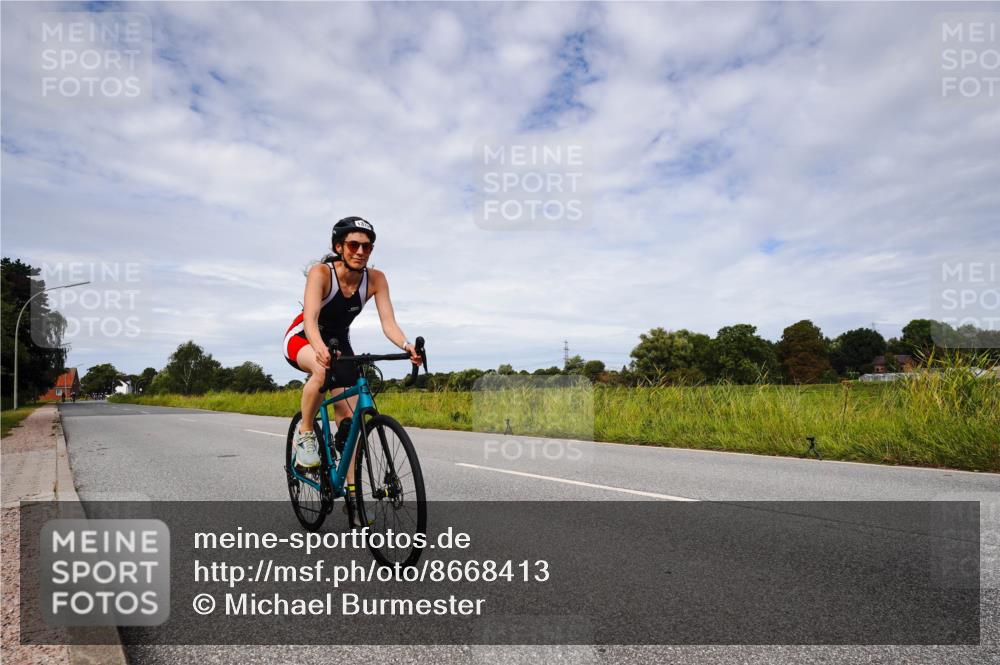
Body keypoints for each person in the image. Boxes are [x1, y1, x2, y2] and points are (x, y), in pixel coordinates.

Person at [282, 216, 420, 519]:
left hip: (339, 341)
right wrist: (319, 349)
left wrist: (406, 345)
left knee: (350, 420)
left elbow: (389, 323)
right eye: (354, 245)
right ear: (339, 247)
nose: (360, 251)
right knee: (321, 370)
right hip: (304, 337)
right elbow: (310, 320)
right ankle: (306, 432)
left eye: (367, 246)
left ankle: (353, 499)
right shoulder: (321, 273)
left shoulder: (376, 279)